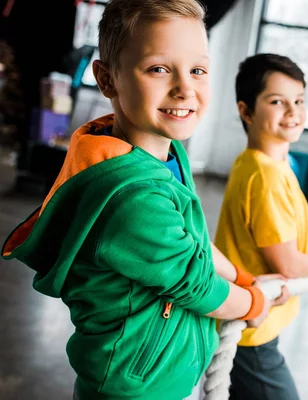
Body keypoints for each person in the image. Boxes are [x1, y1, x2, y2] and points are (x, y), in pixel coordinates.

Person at [1, 2, 288, 399]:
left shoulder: (168, 154)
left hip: (166, 373)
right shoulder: (133, 197)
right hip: (135, 388)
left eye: (198, 70)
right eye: (158, 69)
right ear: (107, 80)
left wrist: (243, 279)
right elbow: (196, 284)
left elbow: (194, 245)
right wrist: (253, 302)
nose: (185, 88)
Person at [214, 53, 308, 400]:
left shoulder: (267, 163)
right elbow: (288, 264)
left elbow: (288, 235)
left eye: (299, 101)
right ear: (246, 111)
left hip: (255, 322)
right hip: (250, 333)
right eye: (277, 101)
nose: (293, 112)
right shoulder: (265, 175)